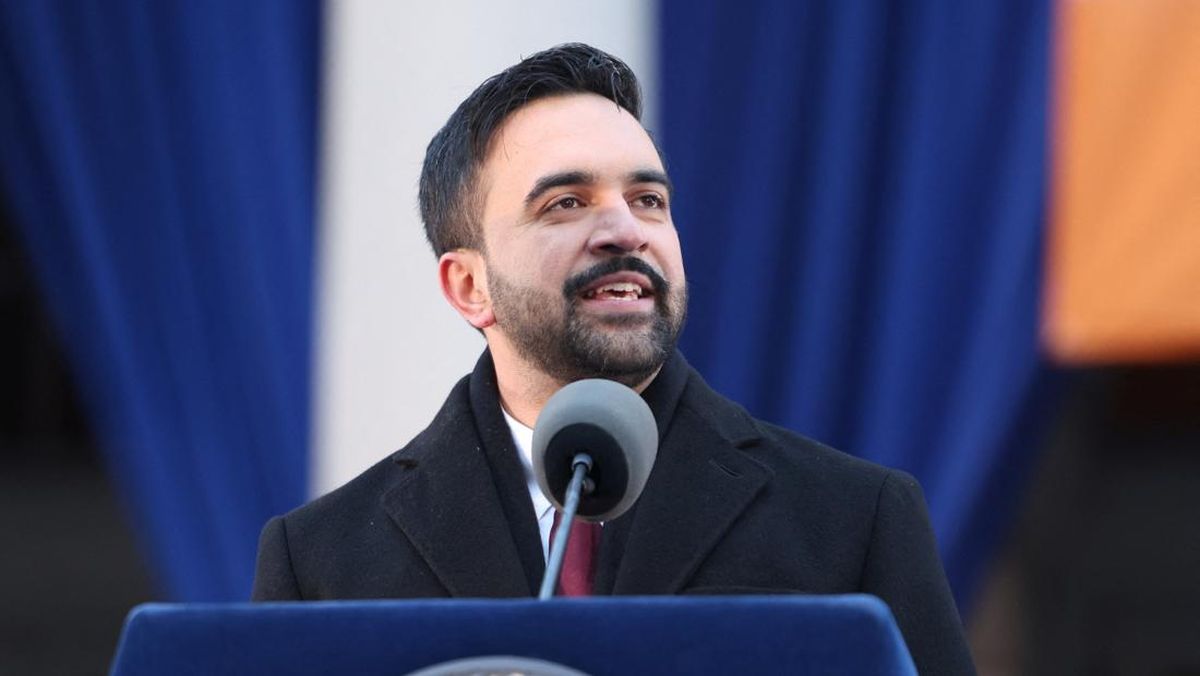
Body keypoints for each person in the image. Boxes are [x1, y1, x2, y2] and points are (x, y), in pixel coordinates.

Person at [252, 43, 976, 674]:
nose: (625, 230)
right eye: (566, 203)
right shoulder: (320, 562)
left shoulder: (853, 518)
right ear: (470, 286)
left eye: (648, 199)